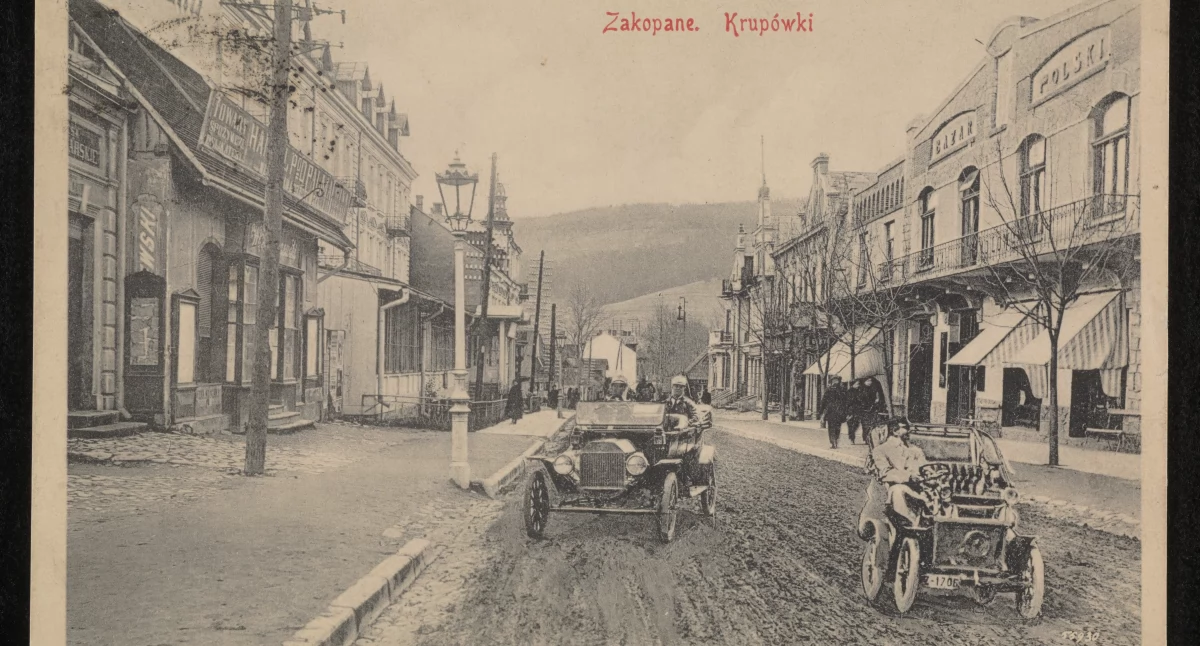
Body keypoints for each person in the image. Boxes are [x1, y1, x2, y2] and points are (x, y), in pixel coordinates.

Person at [871, 420, 929, 525]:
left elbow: (924, 466)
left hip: (920, 486)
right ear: (895, 431)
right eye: (905, 428)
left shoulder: (916, 450)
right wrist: (909, 477)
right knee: (898, 490)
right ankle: (911, 522)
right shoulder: (881, 450)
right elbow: (886, 472)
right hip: (897, 485)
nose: (909, 431)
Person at [817, 376, 848, 449]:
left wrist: (821, 412)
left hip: (833, 411)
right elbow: (824, 401)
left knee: (833, 427)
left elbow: (823, 402)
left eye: (836, 380)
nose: (835, 382)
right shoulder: (840, 390)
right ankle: (835, 440)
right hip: (835, 411)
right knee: (835, 427)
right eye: (834, 381)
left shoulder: (833, 390)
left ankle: (834, 440)